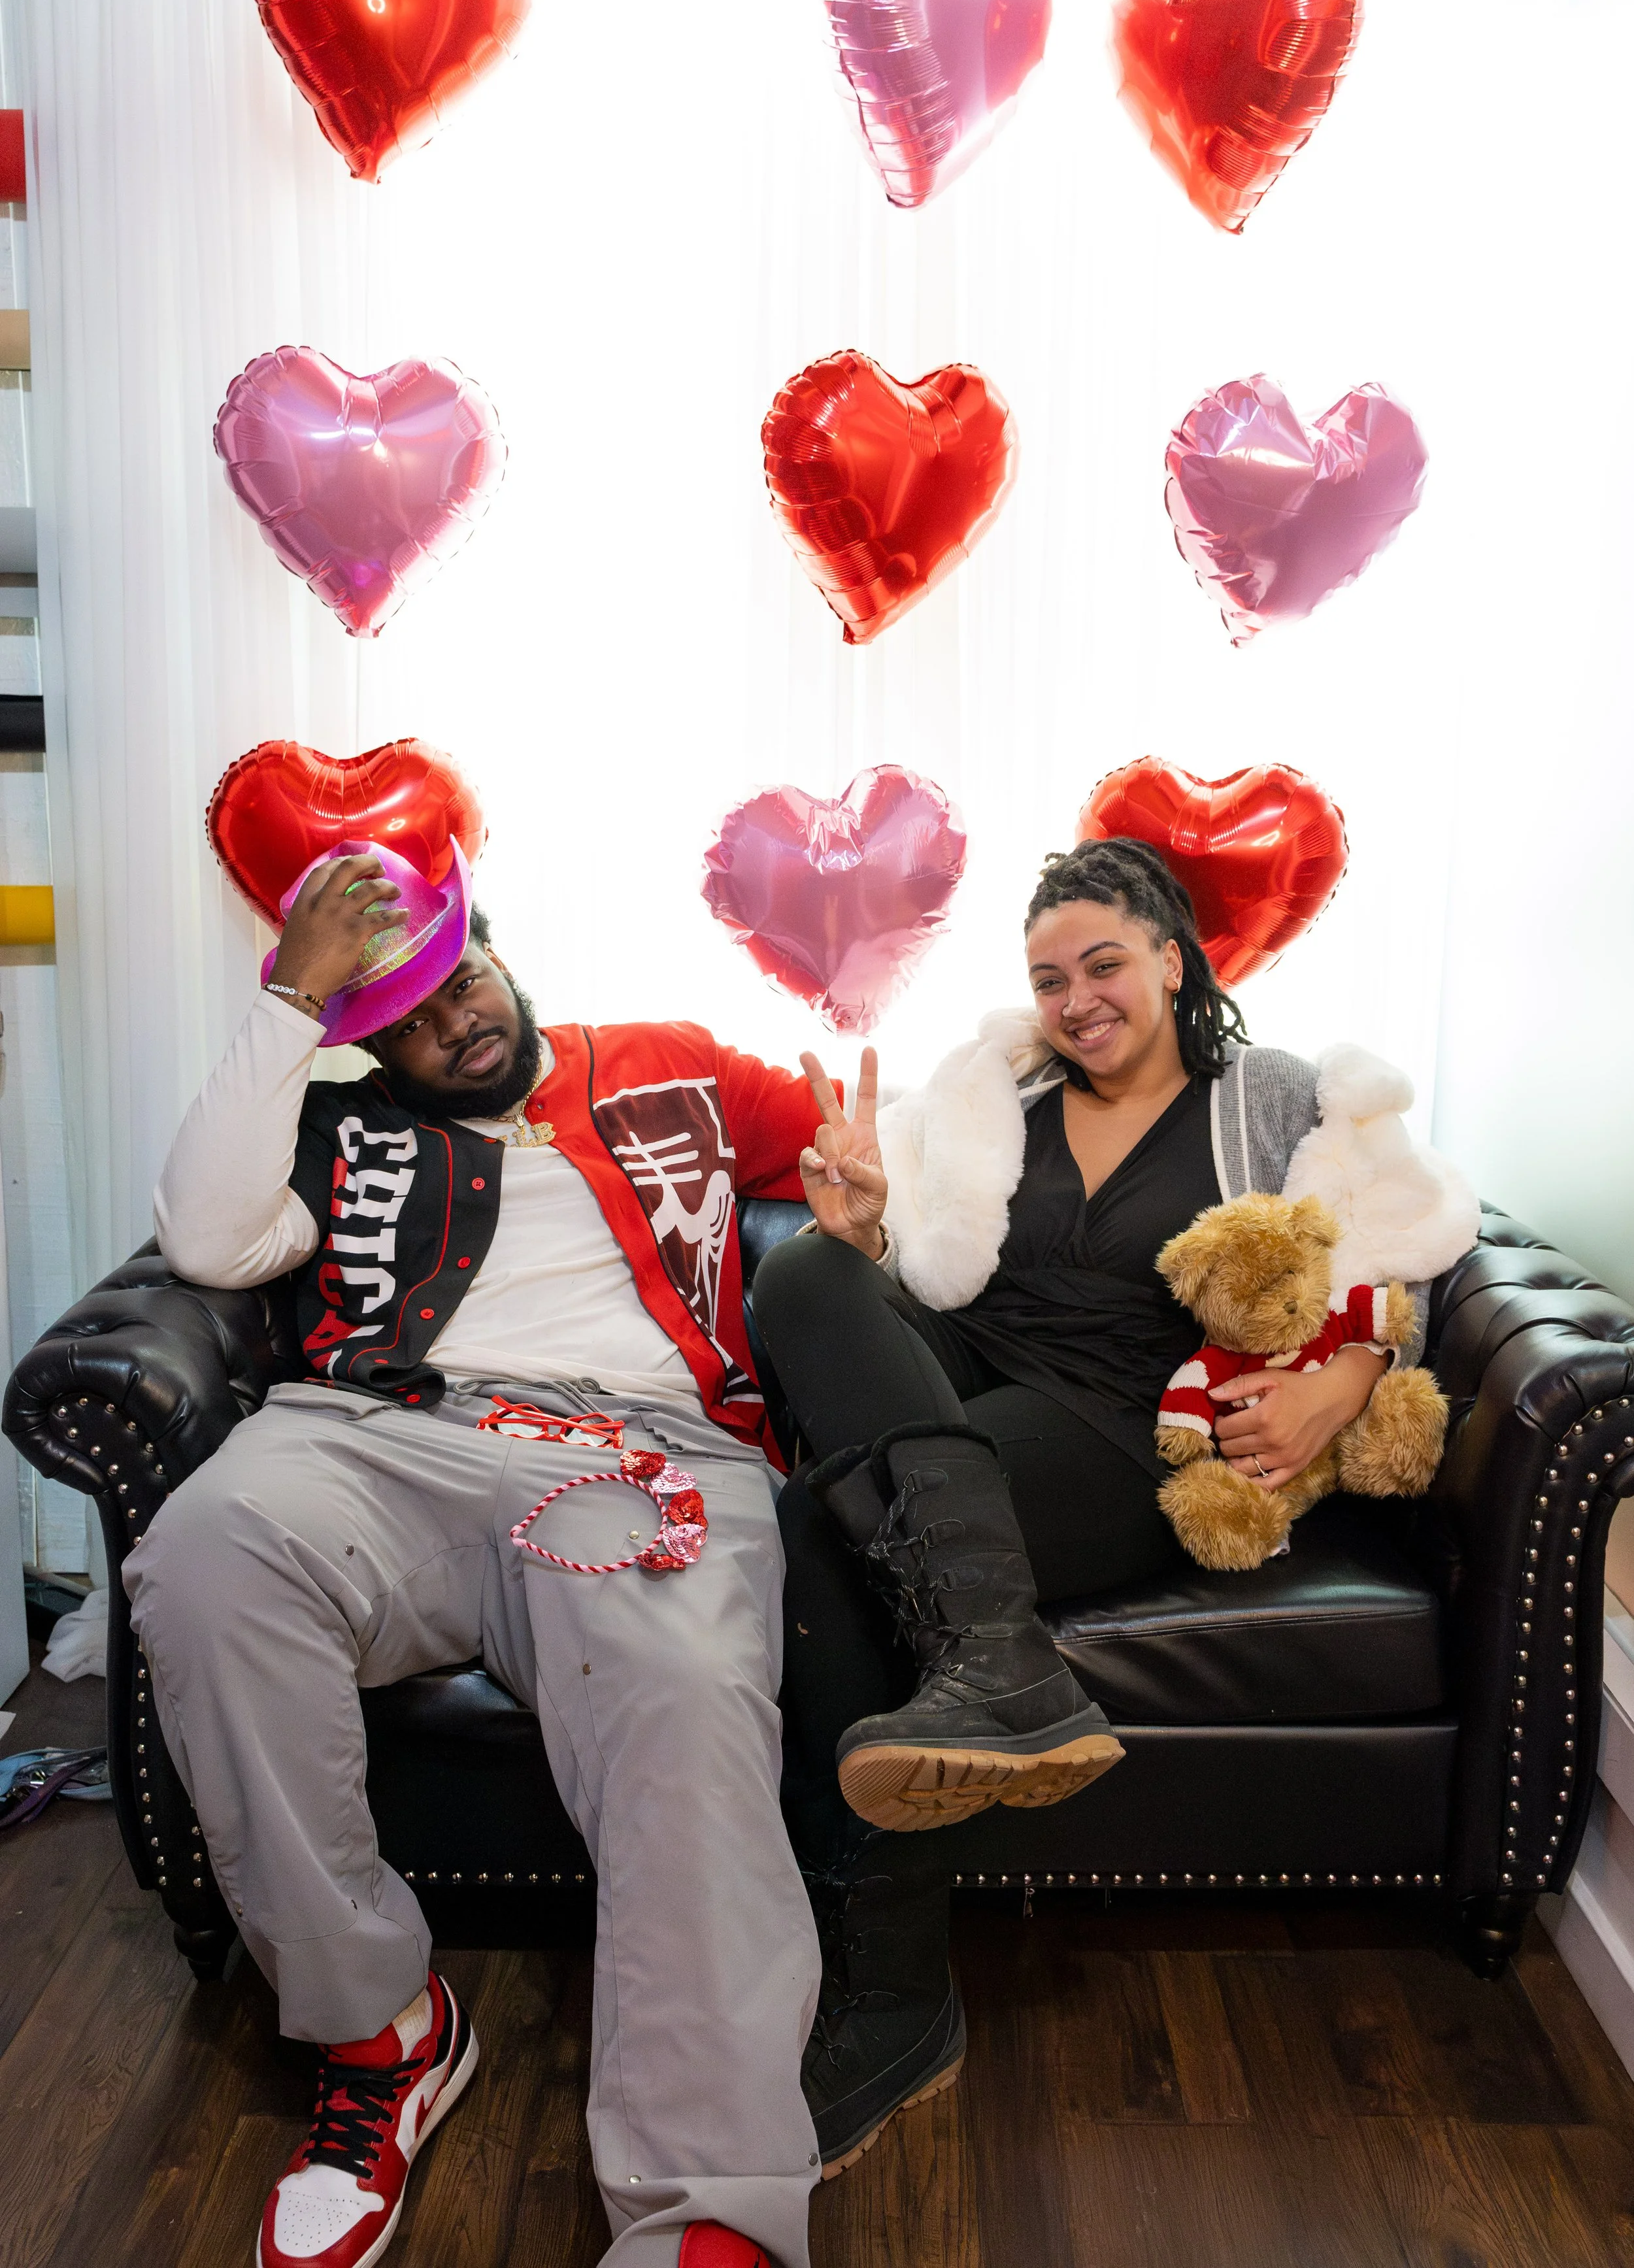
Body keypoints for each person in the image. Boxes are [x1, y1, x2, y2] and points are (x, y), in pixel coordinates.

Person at [124, 848, 831, 2268]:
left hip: (633, 1449)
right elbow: (206, 1237)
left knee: (683, 1689)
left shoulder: (665, 1060)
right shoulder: (335, 1130)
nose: (454, 1027)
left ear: (497, 948)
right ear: (361, 1040)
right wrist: (289, 999)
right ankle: (381, 2036)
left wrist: (879, 1209)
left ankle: (709, 2205)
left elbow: (875, 1144)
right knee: (201, 1552)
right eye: (404, 1022)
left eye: (461, 984)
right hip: (375, 1435)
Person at [750, 837, 1475, 2178]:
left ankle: (893, 1991)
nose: (1075, 998)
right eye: (1045, 977)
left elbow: (1401, 1248)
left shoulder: (1271, 1100)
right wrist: (854, 1227)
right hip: (967, 1380)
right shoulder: (1000, 1103)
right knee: (798, 1280)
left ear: (1170, 957)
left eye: (1101, 963)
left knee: (813, 1536)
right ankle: (993, 1654)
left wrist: (1351, 1374)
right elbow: (920, 1295)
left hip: (1129, 1425)